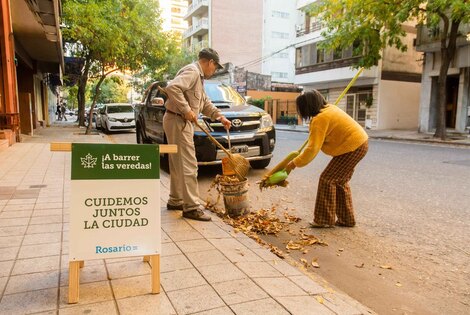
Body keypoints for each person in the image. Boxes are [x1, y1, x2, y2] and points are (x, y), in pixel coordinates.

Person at [163, 48, 231, 221]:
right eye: (215, 68)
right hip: (179, 121)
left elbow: (205, 103)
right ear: (210, 62)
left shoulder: (198, 78)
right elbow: (172, 88)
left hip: (177, 120)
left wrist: (220, 117)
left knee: (178, 163)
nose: (214, 71)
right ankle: (191, 207)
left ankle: (176, 200)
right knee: (189, 165)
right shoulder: (193, 71)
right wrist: (186, 110)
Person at [285, 90, 368, 228]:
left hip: (352, 146)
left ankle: (324, 220)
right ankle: (346, 219)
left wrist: (294, 163)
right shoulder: (329, 109)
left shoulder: (320, 119)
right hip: (359, 143)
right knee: (339, 181)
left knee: (327, 179)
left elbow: (312, 149)